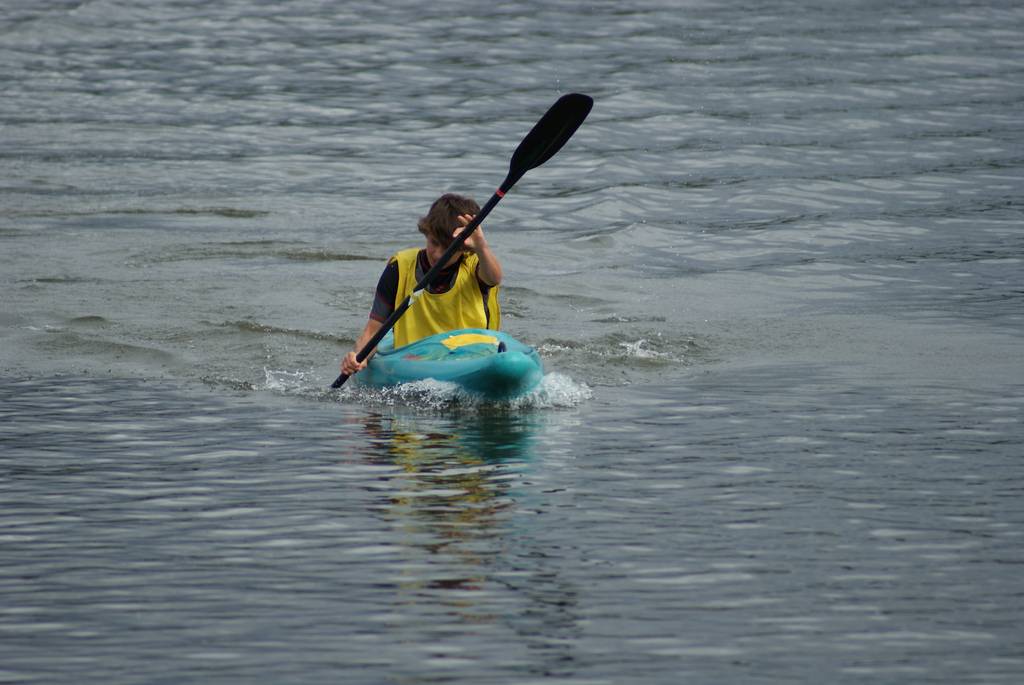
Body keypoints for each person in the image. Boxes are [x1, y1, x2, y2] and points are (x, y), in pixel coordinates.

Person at [340, 193, 503, 377]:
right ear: (427, 233)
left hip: (472, 357)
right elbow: (373, 329)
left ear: (464, 247)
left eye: (448, 248)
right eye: (434, 242)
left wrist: (481, 246)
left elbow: (494, 278)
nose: (438, 254)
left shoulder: (476, 264)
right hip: (415, 360)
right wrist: (357, 356)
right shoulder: (400, 267)